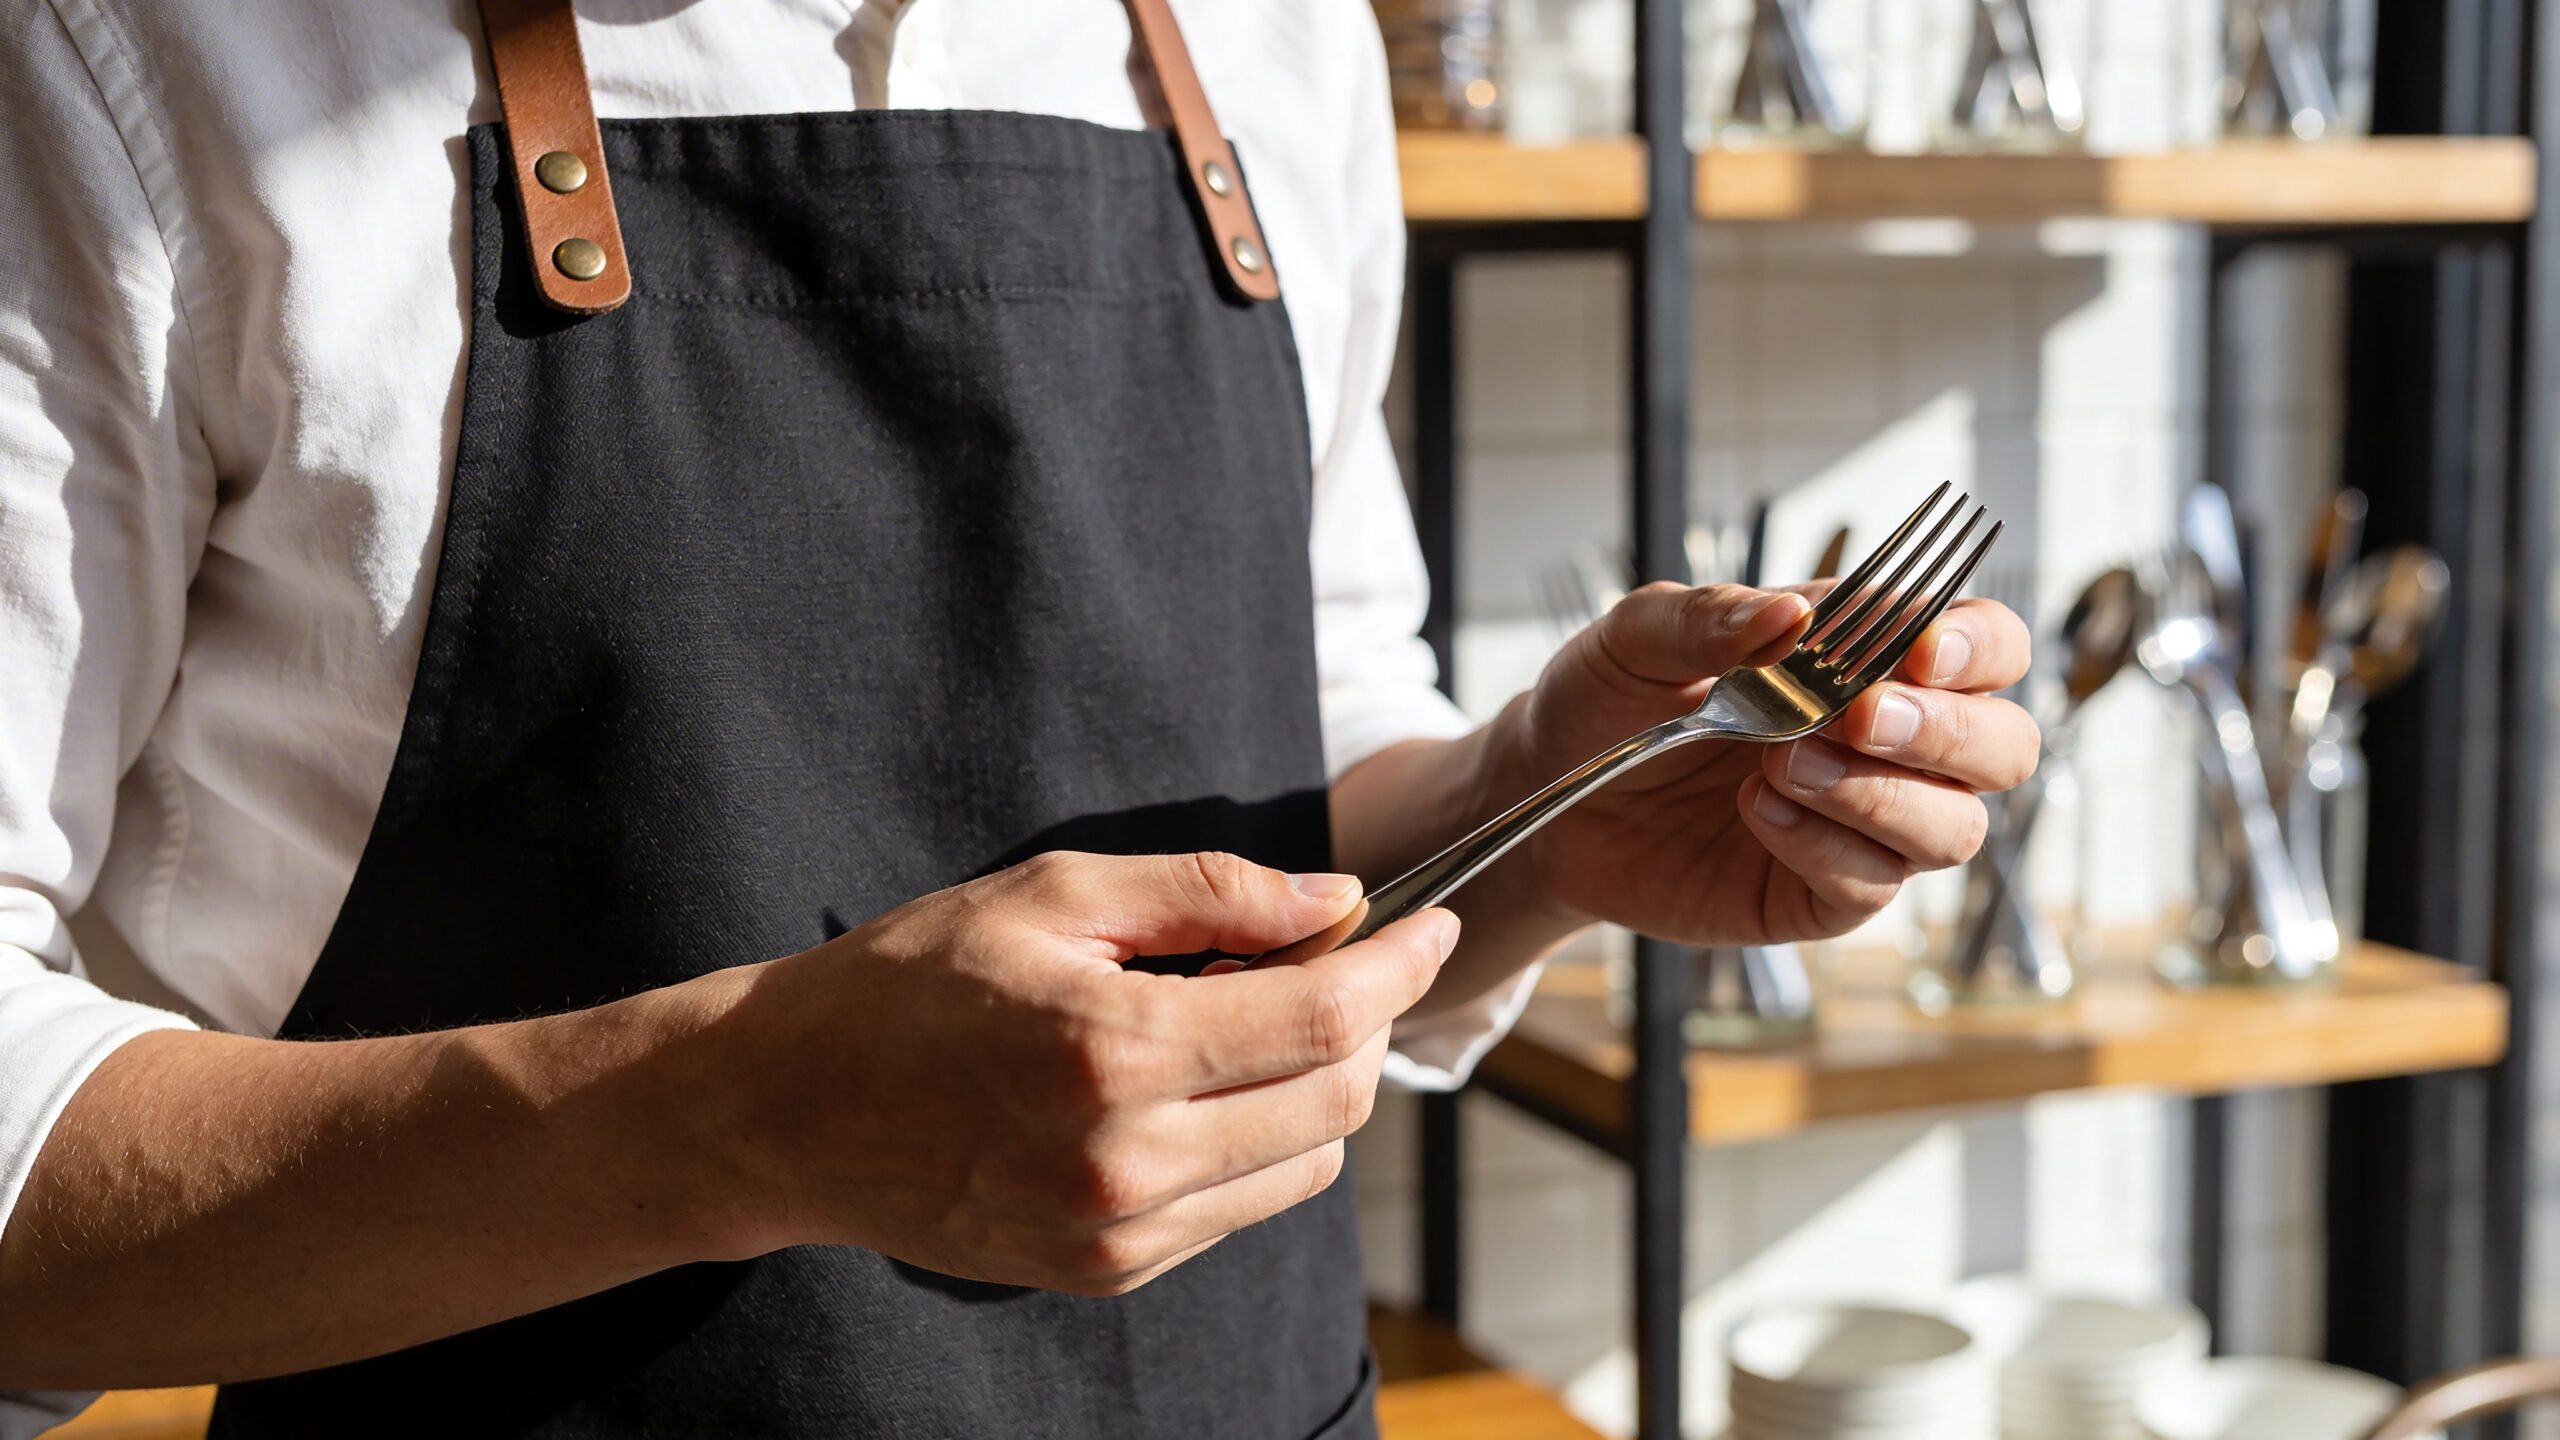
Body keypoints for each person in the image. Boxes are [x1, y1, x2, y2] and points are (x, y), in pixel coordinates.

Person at [0, 1, 2040, 1435]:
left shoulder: (1269, 43)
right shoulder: (156, 57)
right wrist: (738, 1119)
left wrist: (1536, 814)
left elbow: (1307, 806)